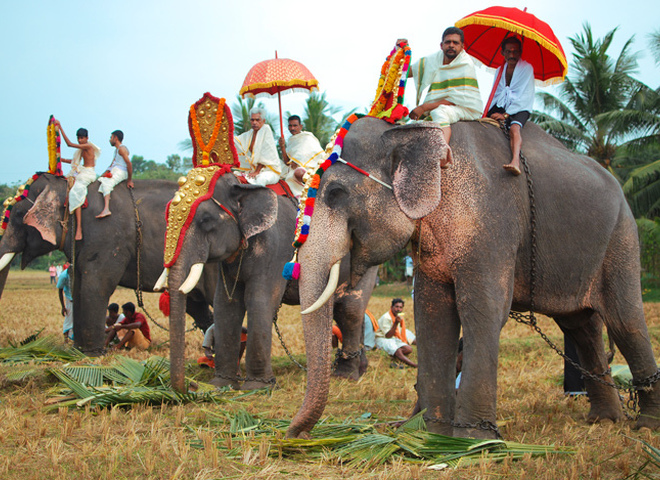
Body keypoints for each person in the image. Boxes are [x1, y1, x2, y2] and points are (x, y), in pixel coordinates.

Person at [407, 27, 483, 162]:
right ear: (441, 45)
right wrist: (400, 51)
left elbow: (456, 100)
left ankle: (443, 153)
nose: (451, 46)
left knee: (440, 113)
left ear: (462, 46)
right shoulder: (435, 59)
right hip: (435, 106)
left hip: (464, 107)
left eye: (455, 43)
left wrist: (424, 107)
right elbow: (408, 72)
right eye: (448, 42)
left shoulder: (465, 64)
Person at [486, 36, 535, 176]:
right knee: (481, 122)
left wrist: (505, 115)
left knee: (514, 128)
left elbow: (524, 95)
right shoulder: (500, 70)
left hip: (520, 106)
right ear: (503, 53)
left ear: (520, 52)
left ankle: (515, 161)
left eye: (515, 52)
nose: (512, 55)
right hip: (502, 103)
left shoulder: (526, 68)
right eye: (508, 51)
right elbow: (496, 92)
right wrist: (489, 110)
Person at [56, 121, 101, 240]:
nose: (80, 140)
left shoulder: (88, 146)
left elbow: (69, 144)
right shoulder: (82, 149)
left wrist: (60, 128)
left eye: (82, 138)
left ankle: (79, 228)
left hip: (88, 173)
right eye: (79, 138)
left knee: (75, 192)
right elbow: (74, 161)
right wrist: (61, 160)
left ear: (87, 138)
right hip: (82, 171)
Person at [278, 115, 326, 196]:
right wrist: (282, 147)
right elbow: (287, 162)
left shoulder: (307, 137)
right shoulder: (291, 141)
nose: (292, 128)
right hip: (292, 168)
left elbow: (316, 154)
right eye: (290, 126)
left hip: (310, 167)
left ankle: (302, 194)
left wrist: (297, 160)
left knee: (298, 172)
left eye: (295, 125)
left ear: (300, 126)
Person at [234, 107, 282, 186]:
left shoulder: (266, 130)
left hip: (270, 171)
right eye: (252, 120)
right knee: (234, 175)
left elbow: (265, 155)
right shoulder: (249, 134)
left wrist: (257, 172)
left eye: (257, 120)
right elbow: (235, 141)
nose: (254, 122)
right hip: (252, 170)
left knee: (261, 179)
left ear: (263, 121)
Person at [96, 130, 134, 218]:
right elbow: (111, 166)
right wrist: (102, 175)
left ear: (115, 138)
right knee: (102, 181)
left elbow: (129, 163)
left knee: (107, 184)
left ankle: (106, 209)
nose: (110, 140)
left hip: (121, 172)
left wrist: (129, 180)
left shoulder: (122, 149)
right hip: (115, 170)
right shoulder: (116, 151)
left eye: (111, 137)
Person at [375, 298, 417, 368]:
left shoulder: (398, 316)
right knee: (395, 349)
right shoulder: (386, 317)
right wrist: (396, 323)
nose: (398, 309)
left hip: (393, 338)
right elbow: (388, 336)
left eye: (400, 307)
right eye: (396, 307)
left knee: (409, 349)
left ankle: (395, 355)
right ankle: (413, 365)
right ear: (392, 307)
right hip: (383, 338)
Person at [57, 263, 73, 342]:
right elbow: (60, 290)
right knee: (69, 320)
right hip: (70, 300)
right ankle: (66, 340)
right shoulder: (63, 276)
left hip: (79, 299)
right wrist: (63, 306)